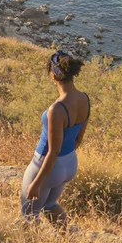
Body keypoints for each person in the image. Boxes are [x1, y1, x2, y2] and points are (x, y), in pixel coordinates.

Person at [21, 50, 90, 225]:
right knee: (49, 204)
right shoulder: (85, 99)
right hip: (69, 163)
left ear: (53, 75)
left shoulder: (56, 110)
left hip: (46, 164)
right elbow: (78, 139)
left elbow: (53, 151)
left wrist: (37, 182)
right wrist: (63, 162)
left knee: (29, 215)